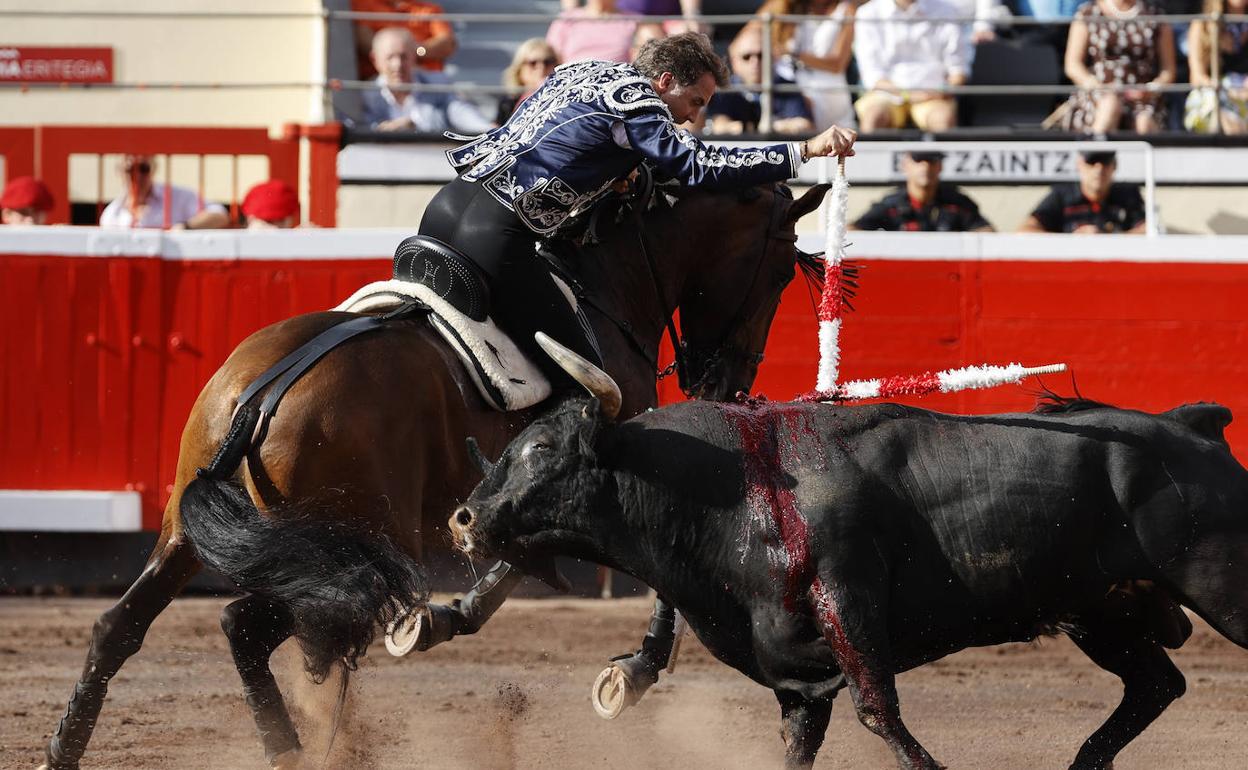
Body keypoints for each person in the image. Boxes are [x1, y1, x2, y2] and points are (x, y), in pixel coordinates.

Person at [411, 30, 856, 666]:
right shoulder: (639, 99)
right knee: (595, 395)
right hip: (501, 235)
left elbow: (565, 145)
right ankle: (507, 513)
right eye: (695, 101)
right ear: (666, 81)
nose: (693, 116)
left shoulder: (584, 71)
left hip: (445, 208)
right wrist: (803, 149)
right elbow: (695, 167)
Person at [1058, 0, 1176, 134]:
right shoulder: (1088, 13)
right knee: (1110, 105)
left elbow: (1168, 71)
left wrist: (1150, 90)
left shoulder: (1156, 16)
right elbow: (1073, 65)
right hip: (1098, 92)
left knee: (1143, 122)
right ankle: (1093, 146)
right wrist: (1096, 86)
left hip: (1143, 98)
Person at [853, 0, 971, 131]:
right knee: (873, 117)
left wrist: (939, 93)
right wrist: (907, 95)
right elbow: (872, 75)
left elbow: (958, 71)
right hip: (885, 95)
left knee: (943, 119)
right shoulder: (868, 13)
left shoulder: (948, 11)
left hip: (933, 98)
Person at [361, 27, 494, 134]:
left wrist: (486, 129)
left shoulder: (437, 84)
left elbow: (458, 110)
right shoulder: (363, 96)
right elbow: (361, 131)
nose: (398, 65)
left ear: (414, 57)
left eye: (404, 56)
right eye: (390, 57)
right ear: (375, 59)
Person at [759, 0, 857, 130]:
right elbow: (749, 35)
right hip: (791, 88)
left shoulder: (846, 9)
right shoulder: (789, 5)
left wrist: (795, 55)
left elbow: (838, 64)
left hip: (830, 91)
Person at [706, 22, 815, 134]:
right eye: (746, 57)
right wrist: (759, 127)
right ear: (734, 62)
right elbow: (718, 125)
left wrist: (762, 127)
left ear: (773, 58)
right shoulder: (725, 89)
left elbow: (804, 125)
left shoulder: (786, 86)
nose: (755, 62)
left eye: (761, 55)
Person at [852, 150, 994, 231]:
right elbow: (853, 230)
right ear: (905, 165)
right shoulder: (891, 205)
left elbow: (986, 232)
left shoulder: (957, 203)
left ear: (940, 166)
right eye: (918, 160)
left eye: (932, 161)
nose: (926, 167)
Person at [1018, 150, 1147, 233]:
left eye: (1105, 162)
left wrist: (1107, 240)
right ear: (1079, 164)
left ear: (1114, 166)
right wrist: (1072, 241)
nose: (1099, 169)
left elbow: (1148, 230)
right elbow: (1026, 230)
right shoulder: (1061, 194)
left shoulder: (1129, 194)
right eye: (1091, 161)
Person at [99, 155, 228, 230]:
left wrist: (185, 228)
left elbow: (219, 215)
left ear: (154, 168)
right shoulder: (111, 214)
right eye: (130, 169)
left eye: (143, 169)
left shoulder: (178, 197)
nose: (137, 176)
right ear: (119, 172)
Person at [1185, 0, 1248, 134]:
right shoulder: (1202, 24)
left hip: (1245, 95)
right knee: (1228, 121)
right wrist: (1226, 90)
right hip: (1213, 93)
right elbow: (1197, 77)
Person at [352, 0, 456, 77]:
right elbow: (363, 39)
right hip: (382, 78)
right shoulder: (364, 4)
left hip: (427, 80)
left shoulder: (430, 9)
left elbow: (447, 44)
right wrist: (400, 57)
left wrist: (416, 52)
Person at [546, 0, 637, 64]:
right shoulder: (566, 19)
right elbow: (550, 56)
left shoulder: (635, 21)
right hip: (571, 80)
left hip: (618, 81)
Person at [496, 38, 559, 123]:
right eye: (533, 63)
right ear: (520, 68)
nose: (541, 67)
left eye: (547, 62)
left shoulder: (562, 100)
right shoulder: (508, 102)